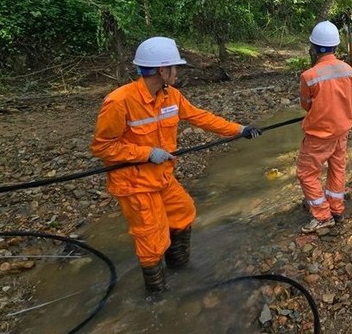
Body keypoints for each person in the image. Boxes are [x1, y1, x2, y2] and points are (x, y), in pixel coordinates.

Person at [90, 37, 262, 293]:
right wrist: (146, 153)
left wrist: (239, 129)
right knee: (151, 239)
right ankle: (158, 295)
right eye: (175, 68)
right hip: (135, 184)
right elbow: (102, 147)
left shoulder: (172, 96)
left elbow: (201, 118)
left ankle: (181, 272)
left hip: (162, 177)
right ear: (162, 70)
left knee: (183, 212)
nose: (177, 73)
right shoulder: (119, 102)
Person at [297, 21, 352, 233]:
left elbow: (306, 105)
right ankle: (336, 208)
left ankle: (322, 216)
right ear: (335, 46)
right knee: (337, 168)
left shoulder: (309, 76)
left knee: (306, 173)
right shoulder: (348, 70)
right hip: (342, 131)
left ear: (314, 47)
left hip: (319, 135)